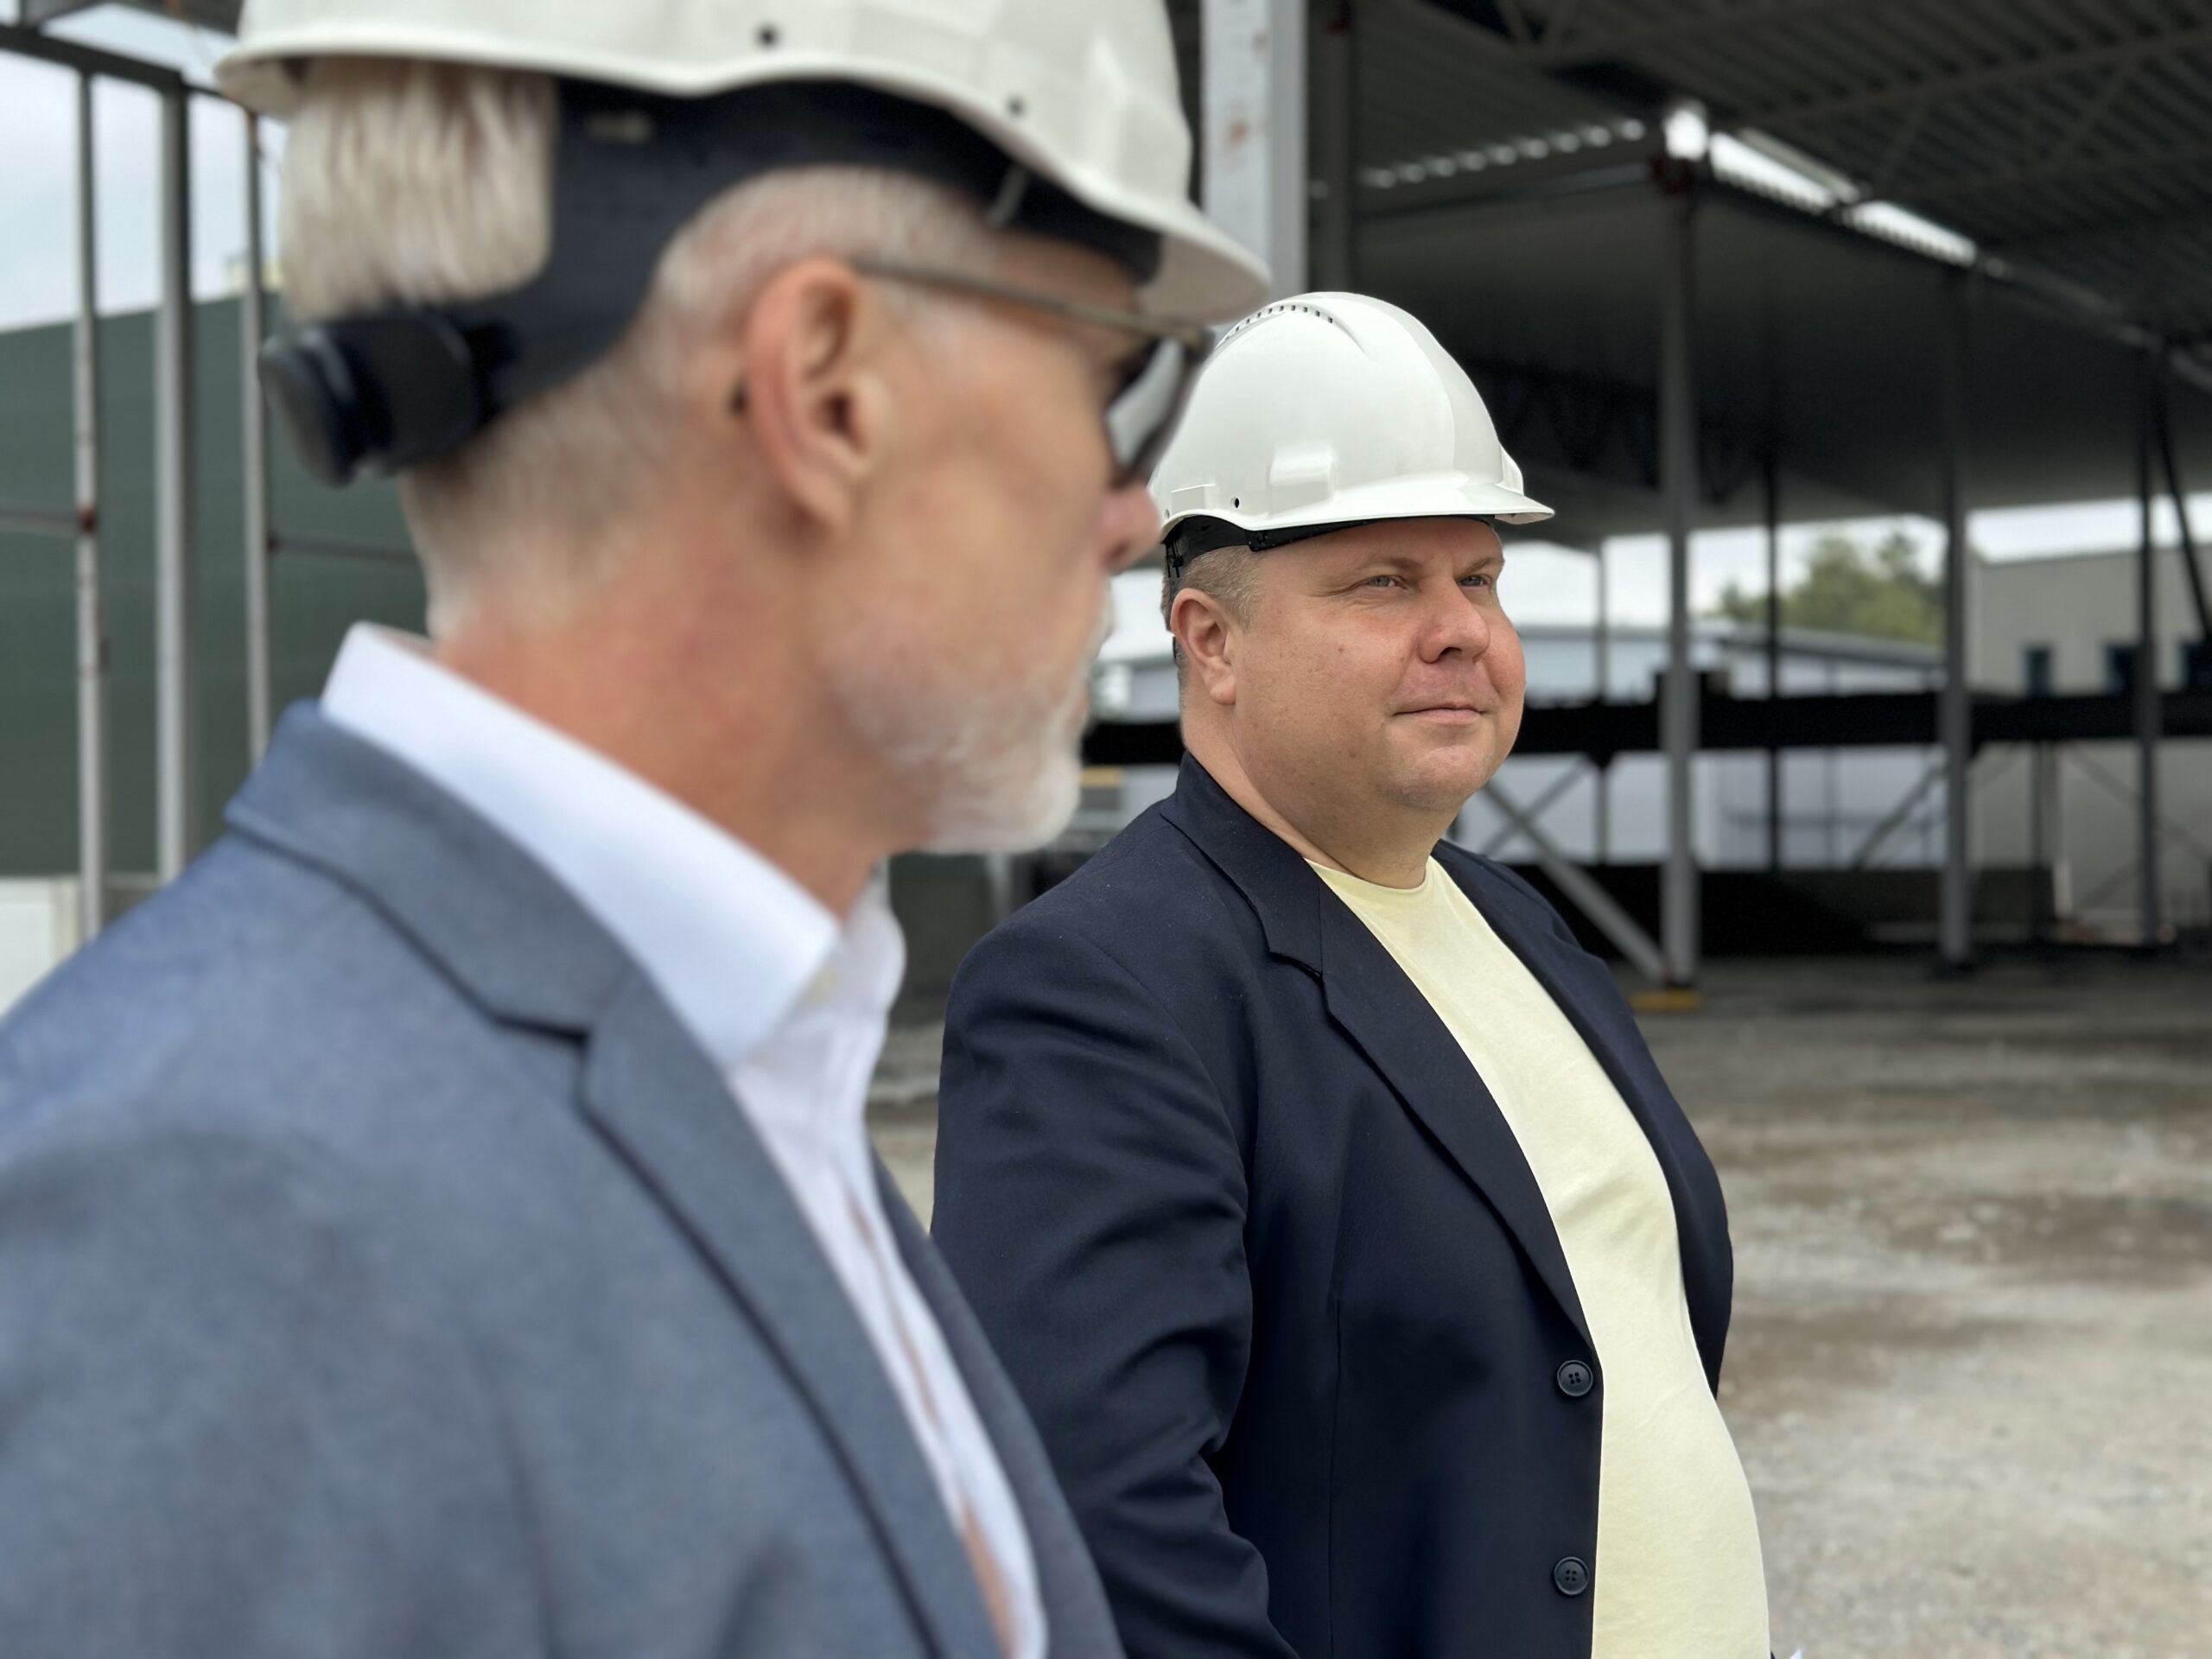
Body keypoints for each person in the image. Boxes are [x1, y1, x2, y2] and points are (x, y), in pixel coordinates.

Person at [0, 3, 1267, 1654]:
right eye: (1120, 380)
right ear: (825, 383)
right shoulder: (221, 1216)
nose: (1134, 511)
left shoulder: (730, 1054)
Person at [933, 292, 1770, 1659]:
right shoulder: (1105, 991)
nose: (1459, 630)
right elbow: (1093, 1524)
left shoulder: (1513, 925)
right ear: (1210, 640)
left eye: (1481, 579)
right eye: (1385, 581)